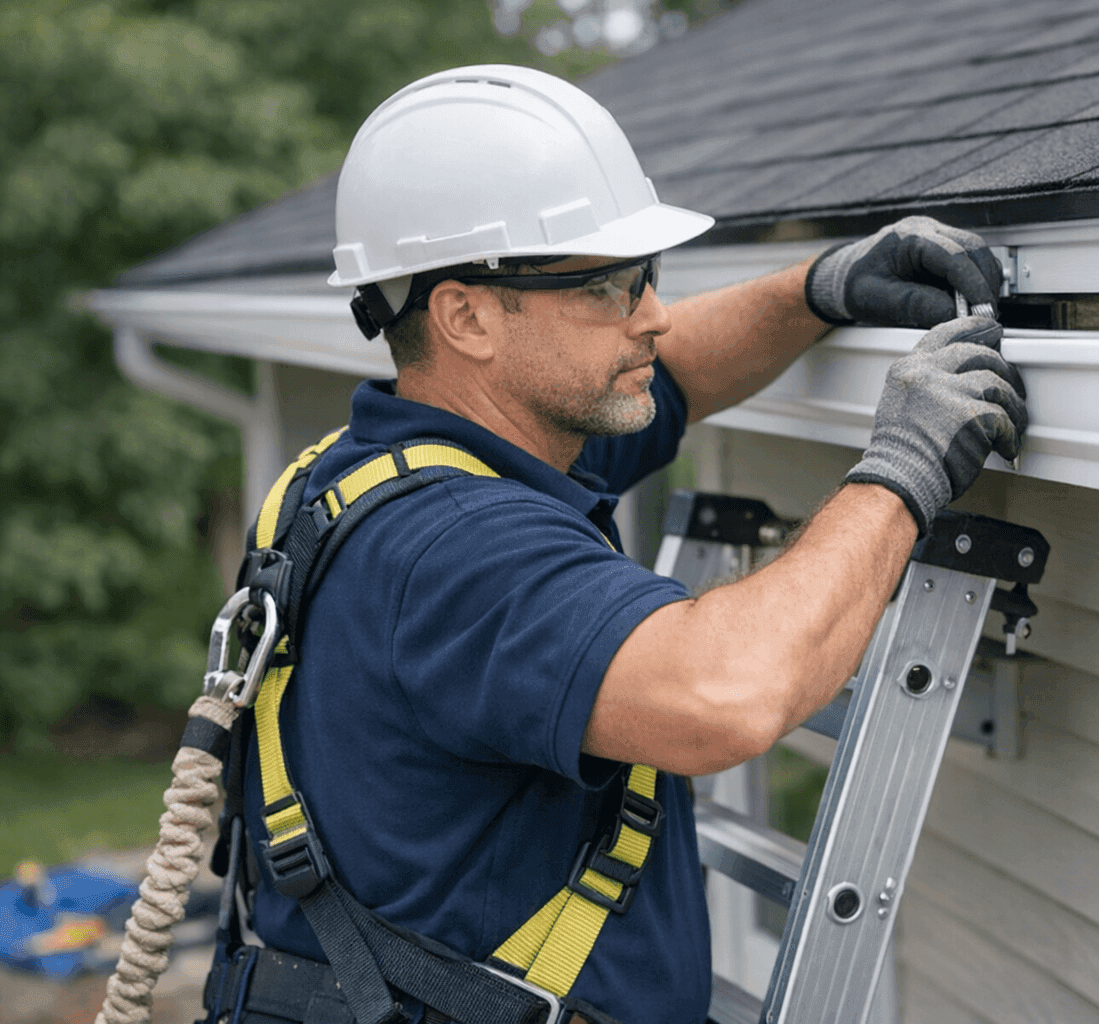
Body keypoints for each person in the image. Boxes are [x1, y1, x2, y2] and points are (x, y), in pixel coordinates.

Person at [218, 65, 1026, 1024]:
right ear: (467, 315)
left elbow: (669, 371)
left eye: (649, 275)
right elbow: (725, 694)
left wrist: (820, 289)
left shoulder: (378, 470)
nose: (652, 313)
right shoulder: (456, 548)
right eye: (605, 285)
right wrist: (903, 466)